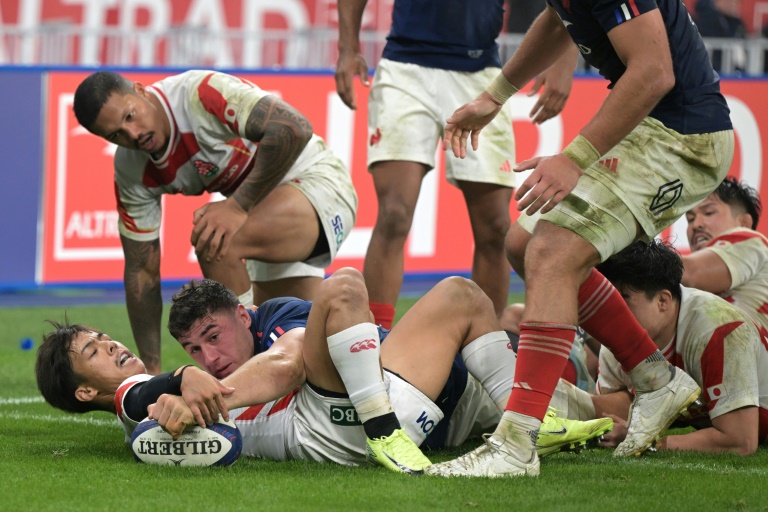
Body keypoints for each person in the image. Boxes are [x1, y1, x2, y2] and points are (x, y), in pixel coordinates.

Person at [427, 0, 734, 478]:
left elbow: (655, 72)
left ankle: (515, 445)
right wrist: (496, 95)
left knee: (551, 251)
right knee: (523, 244)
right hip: (652, 125)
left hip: (684, 138)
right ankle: (655, 379)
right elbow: (559, 19)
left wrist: (573, 159)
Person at [35, 270, 613, 472]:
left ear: (245, 315)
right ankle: (398, 430)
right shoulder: (136, 397)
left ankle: (531, 417)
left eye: (104, 338)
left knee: (607, 416)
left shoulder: (277, 318)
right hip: (352, 417)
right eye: (94, 351)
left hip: (413, 394)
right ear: (86, 388)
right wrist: (181, 388)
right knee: (344, 288)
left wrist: (191, 392)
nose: (111, 346)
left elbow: (285, 362)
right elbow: (284, 368)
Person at [72, 70, 358, 375]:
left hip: (317, 183)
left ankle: (246, 381)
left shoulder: (199, 94)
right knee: (309, 345)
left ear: (142, 91)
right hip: (261, 216)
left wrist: (236, 205)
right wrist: (151, 371)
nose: (132, 134)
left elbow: (293, 127)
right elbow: (142, 271)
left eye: (130, 116)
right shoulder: (131, 168)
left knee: (217, 238)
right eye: (116, 135)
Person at [334, 0, 579, 327]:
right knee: (394, 214)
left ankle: (485, 351)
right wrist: (347, 47)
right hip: (404, 70)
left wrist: (565, 57)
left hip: (482, 77)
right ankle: (375, 341)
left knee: (494, 228)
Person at [555, 240, 768, 455]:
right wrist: (567, 400)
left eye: (622, 299)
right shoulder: (618, 337)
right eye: (608, 300)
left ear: (663, 300)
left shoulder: (719, 330)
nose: (611, 312)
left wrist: (650, 443)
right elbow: (619, 413)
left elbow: (740, 440)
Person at [682, 176, 768, 336]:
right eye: (690, 219)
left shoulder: (753, 242)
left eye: (708, 212)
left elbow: (691, 273)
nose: (696, 224)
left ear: (744, 223)